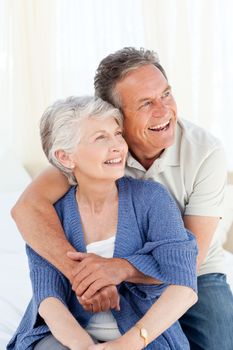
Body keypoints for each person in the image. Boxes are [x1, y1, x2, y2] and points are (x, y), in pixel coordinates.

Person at [12, 47, 233, 349]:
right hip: (103, 276)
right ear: (116, 114)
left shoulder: (204, 152)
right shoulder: (95, 146)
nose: (163, 111)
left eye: (166, 95)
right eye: (145, 103)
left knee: (218, 342)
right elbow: (27, 209)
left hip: (196, 266)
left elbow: (187, 265)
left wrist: (119, 270)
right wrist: (85, 275)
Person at [8, 96, 197, 350]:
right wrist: (85, 347)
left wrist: (128, 343)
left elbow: (184, 286)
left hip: (143, 338)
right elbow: (48, 299)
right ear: (65, 157)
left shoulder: (152, 198)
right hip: (68, 338)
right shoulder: (52, 215)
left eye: (117, 133)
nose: (118, 145)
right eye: (101, 138)